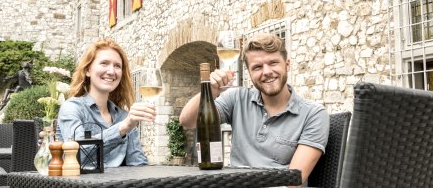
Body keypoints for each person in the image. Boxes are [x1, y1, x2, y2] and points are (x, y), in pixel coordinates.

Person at [179, 33, 328, 187]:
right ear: (249, 73)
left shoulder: (313, 114)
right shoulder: (237, 98)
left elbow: (292, 182)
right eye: (257, 67)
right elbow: (188, 121)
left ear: (287, 65)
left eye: (273, 63)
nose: (266, 71)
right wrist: (210, 89)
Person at [56, 38, 154, 167]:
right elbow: (76, 156)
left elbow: (138, 164)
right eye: (104, 63)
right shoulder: (72, 108)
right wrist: (122, 128)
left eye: (117, 66)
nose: (111, 71)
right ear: (88, 70)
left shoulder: (124, 116)